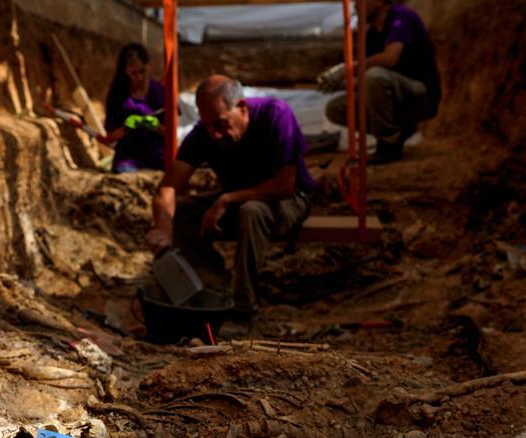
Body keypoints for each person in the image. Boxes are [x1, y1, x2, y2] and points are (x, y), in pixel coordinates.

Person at [146, 75, 315, 320]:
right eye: (209, 126)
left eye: (221, 124)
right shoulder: (205, 132)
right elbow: (168, 188)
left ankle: (243, 308)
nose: (215, 134)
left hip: (287, 202)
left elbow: (285, 186)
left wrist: (227, 199)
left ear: (242, 108)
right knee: (180, 213)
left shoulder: (275, 114)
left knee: (252, 210)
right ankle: (214, 284)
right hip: (238, 204)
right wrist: (163, 229)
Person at [321, 0, 440, 164]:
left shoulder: (401, 16)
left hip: (420, 94)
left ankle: (388, 144)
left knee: (375, 76)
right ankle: (399, 132)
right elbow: (366, 84)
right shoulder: (372, 35)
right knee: (336, 108)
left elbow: (390, 59)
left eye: (360, 1)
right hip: (393, 94)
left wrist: (348, 68)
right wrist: (340, 84)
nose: (356, 6)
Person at [100, 43, 165, 173]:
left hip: (158, 157)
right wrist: (127, 128)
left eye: (142, 71)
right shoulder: (118, 96)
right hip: (129, 158)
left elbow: (171, 133)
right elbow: (109, 138)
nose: (139, 77)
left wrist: (156, 126)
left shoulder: (161, 92)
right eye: (133, 73)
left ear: (148, 66)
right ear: (125, 72)